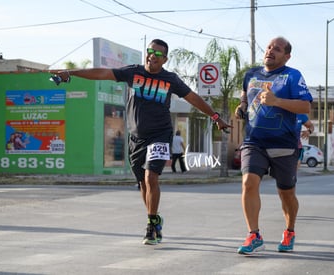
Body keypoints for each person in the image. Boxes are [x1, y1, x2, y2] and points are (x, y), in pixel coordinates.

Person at [52, 39, 231, 245]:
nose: (152, 56)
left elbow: (192, 98)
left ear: (164, 59)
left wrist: (215, 117)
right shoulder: (133, 72)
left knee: (151, 177)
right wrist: (71, 74)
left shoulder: (170, 79)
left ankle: (151, 225)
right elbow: (102, 73)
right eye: (150, 51)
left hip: (160, 135)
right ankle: (154, 218)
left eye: (157, 54)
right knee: (142, 184)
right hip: (136, 138)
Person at [234, 36, 313, 254]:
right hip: (254, 140)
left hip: (284, 143)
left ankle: (289, 230)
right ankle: (254, 234)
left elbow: (305, 105)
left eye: (277, 49)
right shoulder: (251, 74)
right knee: (248, 183)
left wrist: (277, 101)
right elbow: (244, 94)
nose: (270, 51)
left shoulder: (292, 76)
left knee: (286, 193)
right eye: (269, 47)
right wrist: (241, 106)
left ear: (286, 56)